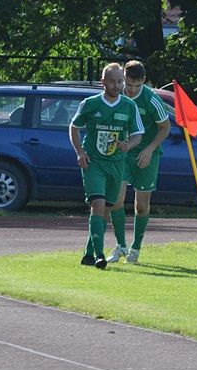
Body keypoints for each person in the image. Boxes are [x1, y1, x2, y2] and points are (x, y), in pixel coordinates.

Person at [70, 63, 144, 269]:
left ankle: (88, 253)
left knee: (105, 211)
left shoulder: (129, 106)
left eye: (120, 81)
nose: (117, 85)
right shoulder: (90, 103)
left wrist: (128, 144)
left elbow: (138, 134)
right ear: (103, 82)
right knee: (98, 205)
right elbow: (74, 127)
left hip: (116, 164)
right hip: (94, 163)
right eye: (112, 81)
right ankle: (100, 255)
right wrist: (80, 152)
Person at [105, 61, 170, 264]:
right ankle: (120, 246)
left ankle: (136, 248)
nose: (132, 90)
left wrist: (149, 150)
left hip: (146, 155)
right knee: (116, 199)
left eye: (137, 86)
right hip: (121, 154)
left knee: (141, 206)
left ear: (144, 82)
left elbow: (165, 128)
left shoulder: (151, 99)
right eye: (129, 84)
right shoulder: (116, 95)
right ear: (124, 78)